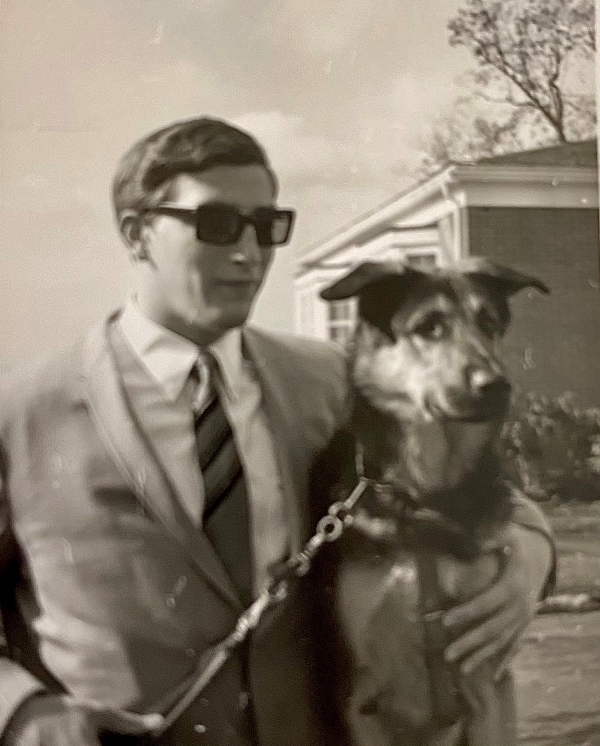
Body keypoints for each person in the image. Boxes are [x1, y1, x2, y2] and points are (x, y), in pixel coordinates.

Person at [0, 117, 554, 746]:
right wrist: (21, 711)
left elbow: (453, 479)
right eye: (216, 225)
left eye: (267, 227)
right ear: (136, 234)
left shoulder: (328, 382)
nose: (249, 253)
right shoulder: (22, 412)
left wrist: (531, 554)